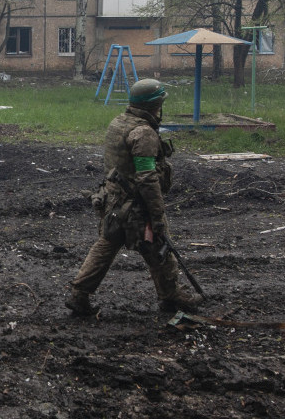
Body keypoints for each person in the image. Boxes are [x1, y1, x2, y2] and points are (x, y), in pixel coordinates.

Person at [65, 78, 203, 317]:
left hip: (113, 201)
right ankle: (171, 296)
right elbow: (147, 178)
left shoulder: (119, 123)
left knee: (106, 246)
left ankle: (79, 295)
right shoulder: (143, 133)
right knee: (159, 247)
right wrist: (157, 215)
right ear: (156, 105)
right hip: (135, 207)